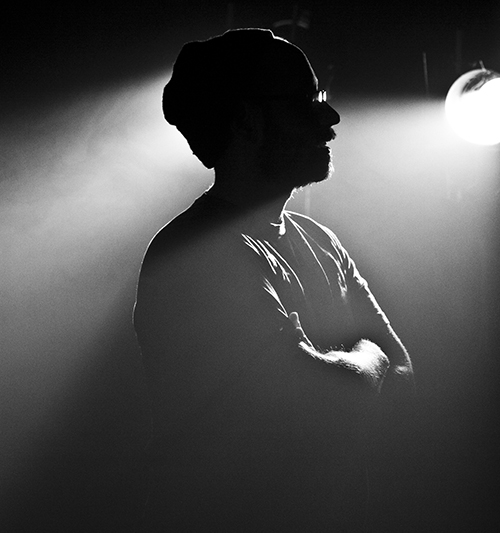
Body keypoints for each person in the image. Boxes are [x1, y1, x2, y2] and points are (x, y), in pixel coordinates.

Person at [133, 28, 414, 532]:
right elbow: (319, 397)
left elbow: (405, 372)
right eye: (307, 101)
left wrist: (347, 373)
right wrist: (368, 356)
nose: (330, 117)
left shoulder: (322, 241)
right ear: (247, 121)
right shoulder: (195, 253)